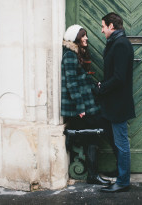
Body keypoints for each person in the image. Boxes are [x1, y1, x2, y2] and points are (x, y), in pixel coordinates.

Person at [61, 24, 112, 185]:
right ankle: (92, 175)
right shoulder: (69, 56)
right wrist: (80, 107)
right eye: (83, 36)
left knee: (94, 134)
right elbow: (71, 84)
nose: (86, 38)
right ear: (74, 38)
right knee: (93, 134)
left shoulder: (77, 54)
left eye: (86, 35)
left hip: (87, 102)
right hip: (81, 106)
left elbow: (80, 79)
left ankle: (92, 174)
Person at [95, 12, 135, 193]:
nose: (102, 30)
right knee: (118, 141)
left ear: (112, 26)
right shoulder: (116, 43)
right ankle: (121, 174)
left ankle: (123, 181)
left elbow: (119, 77)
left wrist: (102, 87)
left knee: (121, 143)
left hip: (118, 103)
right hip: (114, 102)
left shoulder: (120, 44)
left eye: (103, 26)